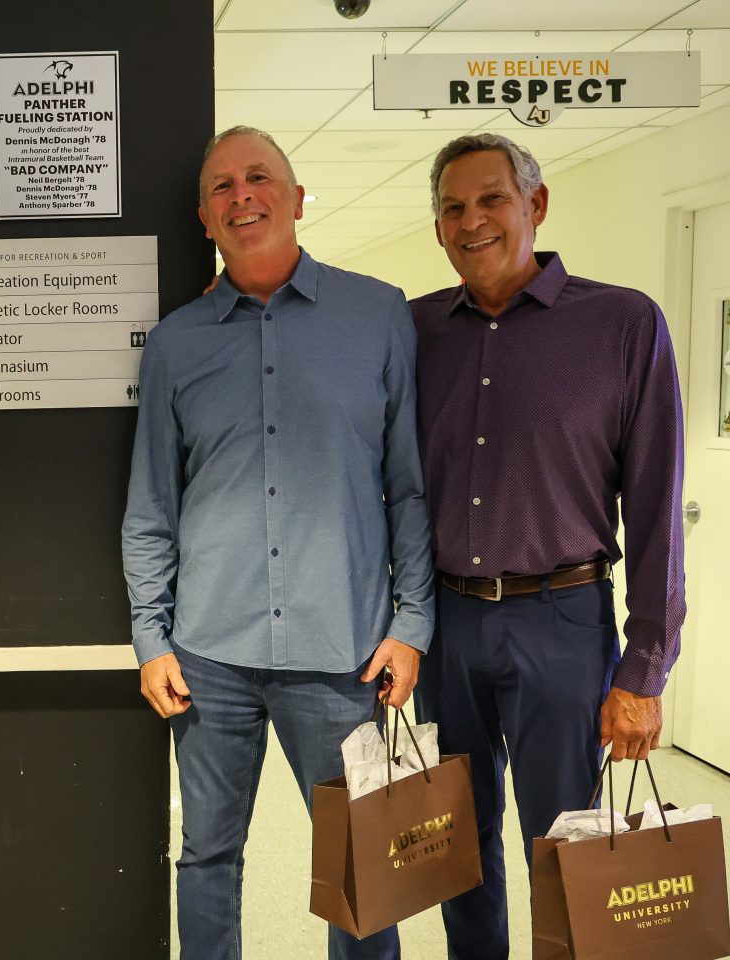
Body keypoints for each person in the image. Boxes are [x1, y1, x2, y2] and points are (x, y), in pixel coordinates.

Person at [122, 126, 435, 960]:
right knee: (208, 859)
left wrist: (413, 624)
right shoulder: (177, 343)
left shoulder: (377, 315)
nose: (242, 195)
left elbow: (409, 484)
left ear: (298, 199)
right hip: (209, 656)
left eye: (260, 177)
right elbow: (151, 505)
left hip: (343, 653)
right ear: (204, 217)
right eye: (222, 186)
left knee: (362, 865)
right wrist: (150, 637)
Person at [412, 132, 685, 959]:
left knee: (567, 846)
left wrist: (644, 669)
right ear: (438, 229)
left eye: (492, 199)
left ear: (534, 205)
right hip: (446, 624)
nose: (472, 221)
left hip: (562, 620)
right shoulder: (414, 331)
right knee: (458, 848)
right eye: (452, 208)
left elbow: (656, 507)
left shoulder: (623, 323)